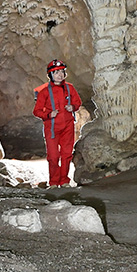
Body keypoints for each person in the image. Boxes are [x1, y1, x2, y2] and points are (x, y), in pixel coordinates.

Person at [32, 59, 83, 187]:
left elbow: (78, 102)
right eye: (56, 72)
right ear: (50, 75)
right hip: (52, 127)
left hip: (68, 126)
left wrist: (73, 107)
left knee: (66, 154)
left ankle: (64, 180)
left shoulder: (70, 88)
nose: (60, 75)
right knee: (53, 156)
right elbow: (37, 111)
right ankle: (54, 182)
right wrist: (49, 114)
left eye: (61, 72)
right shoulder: (44, 91)